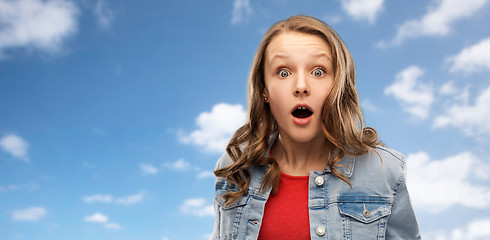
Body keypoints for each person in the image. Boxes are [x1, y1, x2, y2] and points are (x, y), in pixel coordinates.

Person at [210, 15, 421, 240]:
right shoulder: (234, 165)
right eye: (283, 72)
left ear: (337, 85)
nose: (301, 86)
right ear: (264, 90)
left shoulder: (385, 170)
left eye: (318, 72)